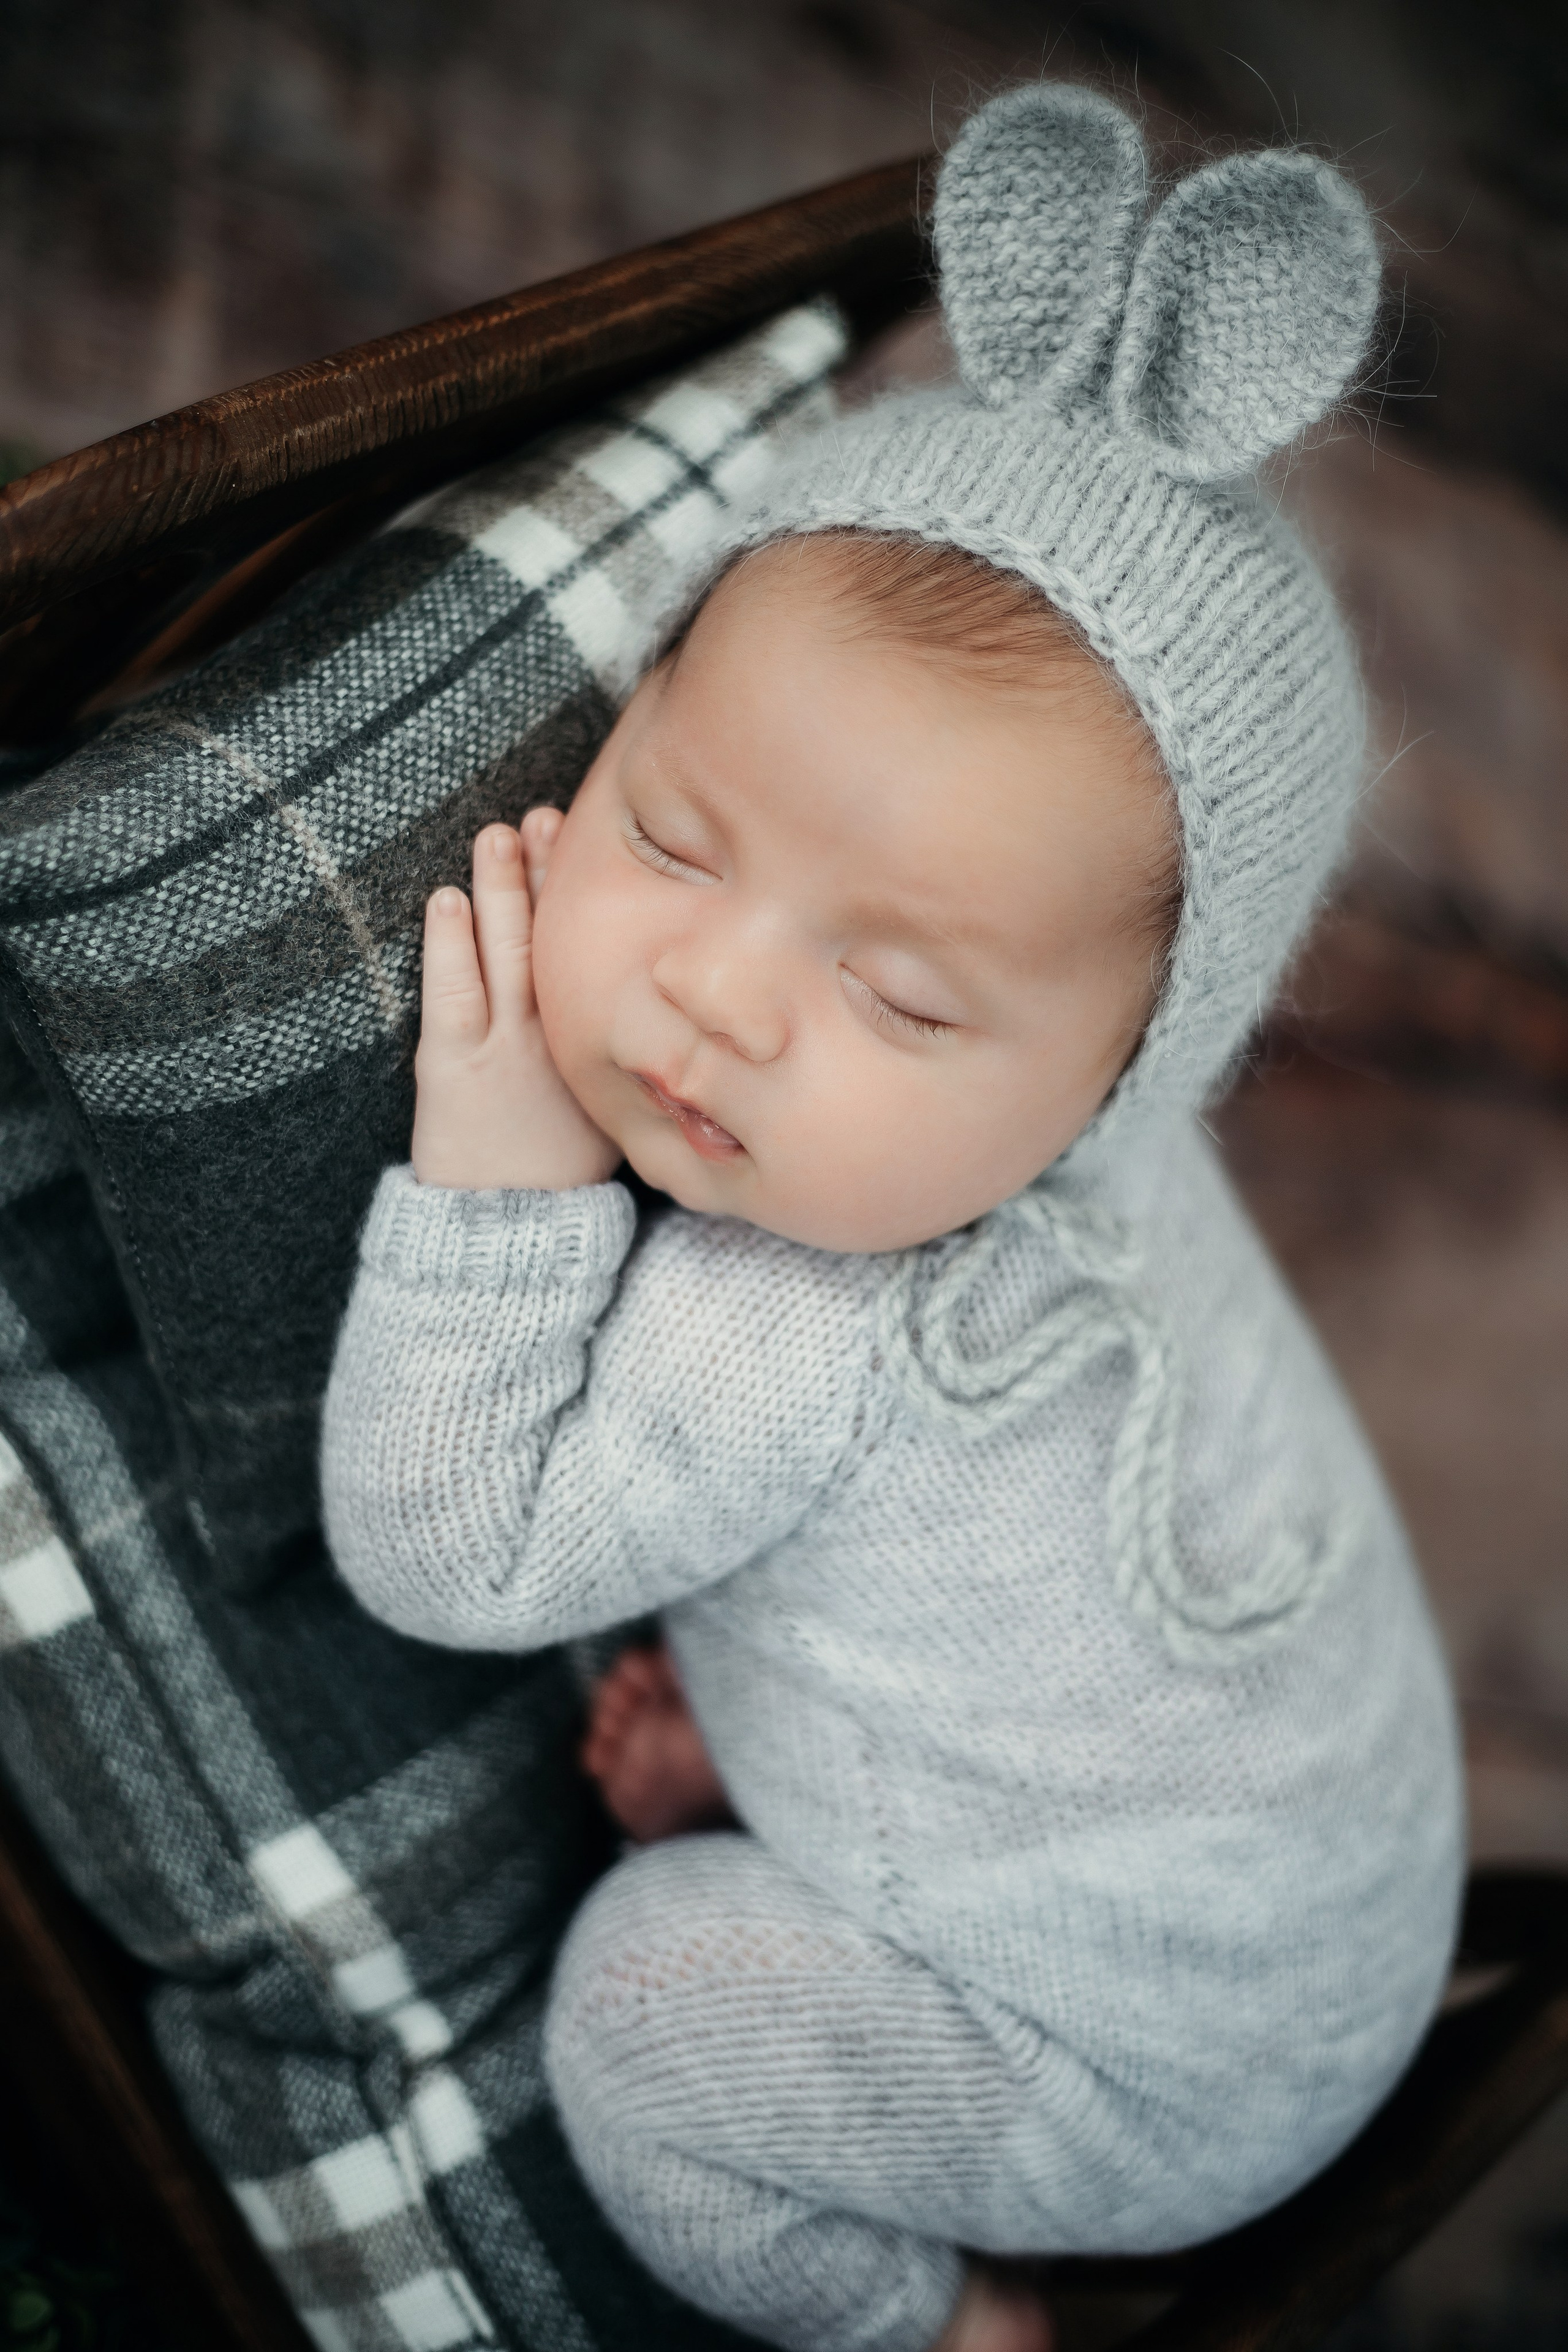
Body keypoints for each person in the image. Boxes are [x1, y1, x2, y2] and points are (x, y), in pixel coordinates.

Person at [322, 81, 1464, 2352]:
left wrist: (502, 1168)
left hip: (1134, 2068)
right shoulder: (1059, 1095)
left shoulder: (804, 1313)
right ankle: (815, 1813)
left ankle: (946, 2322)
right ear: (634, 704)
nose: (715, 1005)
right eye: (670, 833)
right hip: (1321, 1896)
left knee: (644, 2022)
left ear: (1121, 1075)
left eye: (894, 992)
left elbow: (444, 1558)